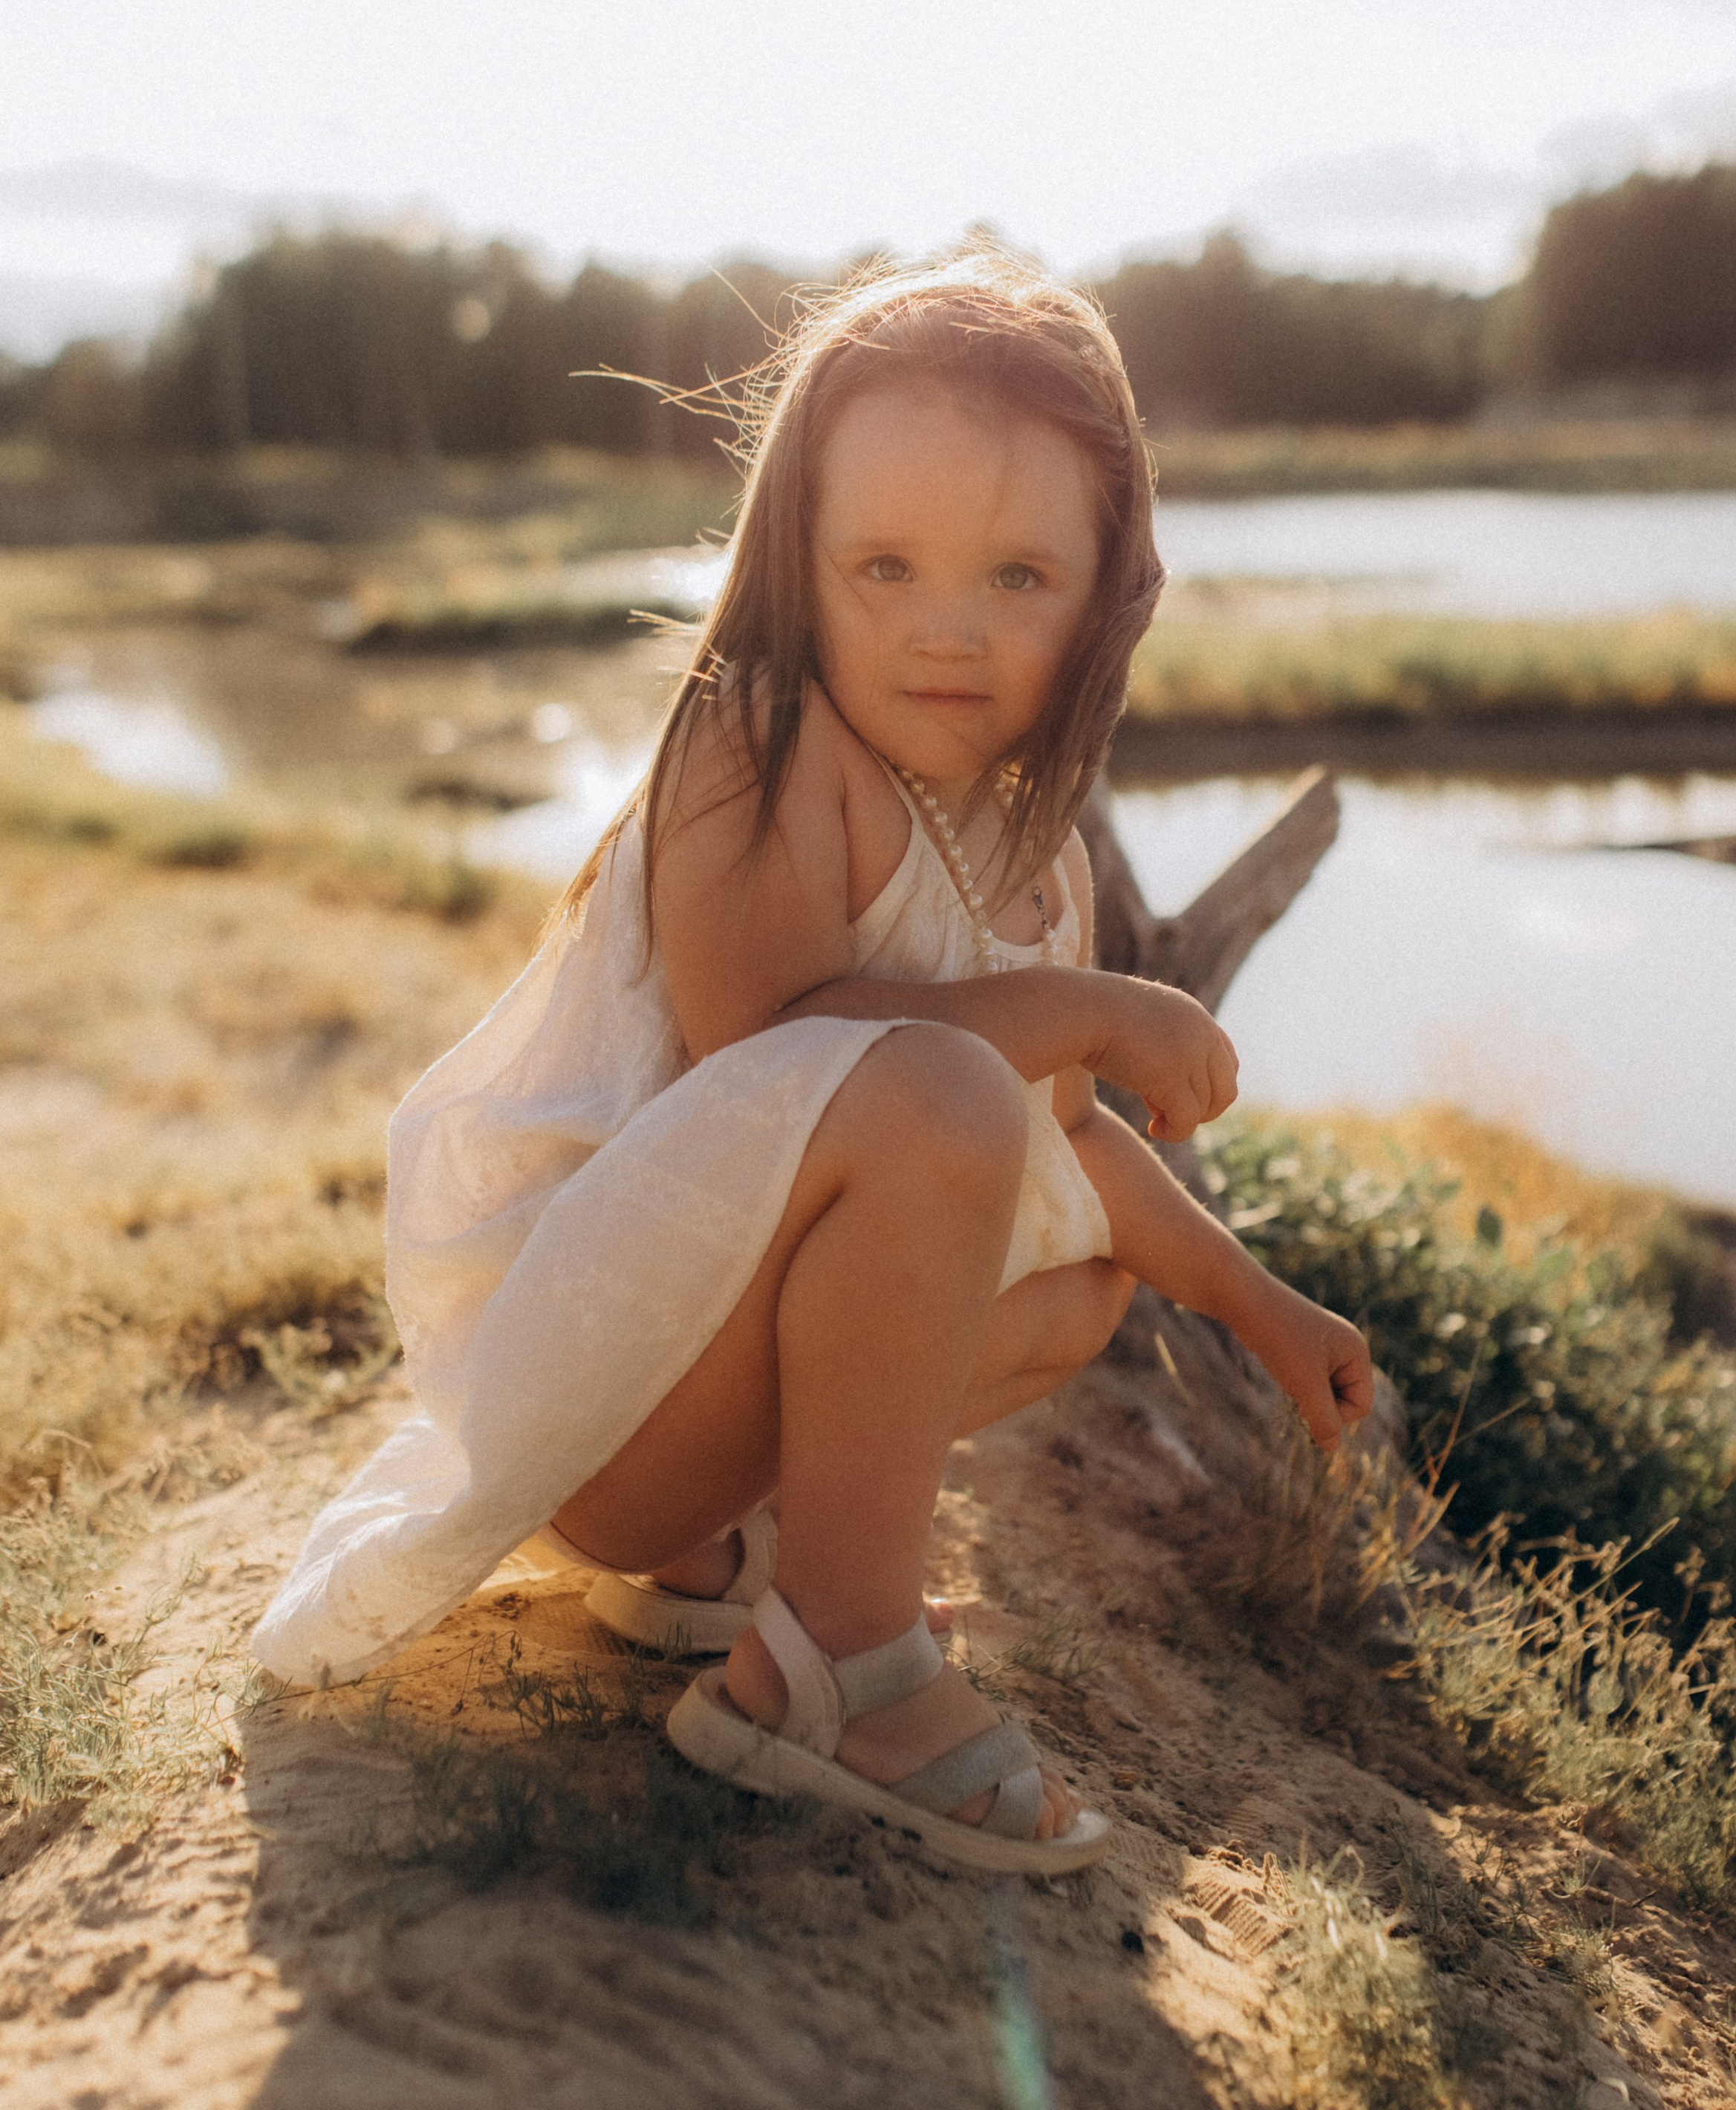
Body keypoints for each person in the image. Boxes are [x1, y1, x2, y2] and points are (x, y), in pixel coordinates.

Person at [253, 245, 1374, 1877]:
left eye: (1016, 579)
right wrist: (1091, 1010)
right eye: (884, 568)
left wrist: (1260, 1307)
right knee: (930, 1093)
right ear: (801, 555)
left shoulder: (1031, 849)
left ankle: (746, 1572)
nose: (946, 631)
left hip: (695, 1425)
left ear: (1107, 594)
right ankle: (841, 1671)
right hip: (595, 1378)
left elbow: (1071, 1149)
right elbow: (774, 1061)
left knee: (1076, 1283)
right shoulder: (758, 740)